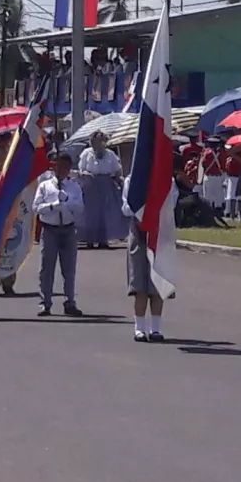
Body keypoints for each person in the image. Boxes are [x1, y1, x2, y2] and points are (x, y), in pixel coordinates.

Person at [122, 171, 177, 342]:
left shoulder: (167, 179)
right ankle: (139, 328)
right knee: (139, 281)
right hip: (138, 230)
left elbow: (171, 202)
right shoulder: (132, 179)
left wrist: (154, 213)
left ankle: (155, 328)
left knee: (158, 281)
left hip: (161, 230)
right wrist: (141, 214)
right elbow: (126, 207)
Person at [33, 152, 84, 317]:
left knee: (69, 269)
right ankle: (45, 302)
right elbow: (36, 208)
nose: (61, 169)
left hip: (68, 229)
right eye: (58, 166)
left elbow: (80, 208)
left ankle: (70, 301)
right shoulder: (45, 186)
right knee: (46, 268)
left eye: (65, 167)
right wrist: (54, 206)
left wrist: (67, 203)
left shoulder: (74, 187)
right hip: (50, 229)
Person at [78, 131, 127, 248]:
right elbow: (81, 169)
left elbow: (117, 170)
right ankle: (89, 239)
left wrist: (120, 180)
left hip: (106, 184)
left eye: (101, 140)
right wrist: (85, 174)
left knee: (105, 213)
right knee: (90, 213)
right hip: (90, 185)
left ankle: (103, 240)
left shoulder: (110, 154)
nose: (99, 143)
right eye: (96, 140)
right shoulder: (86, 153)